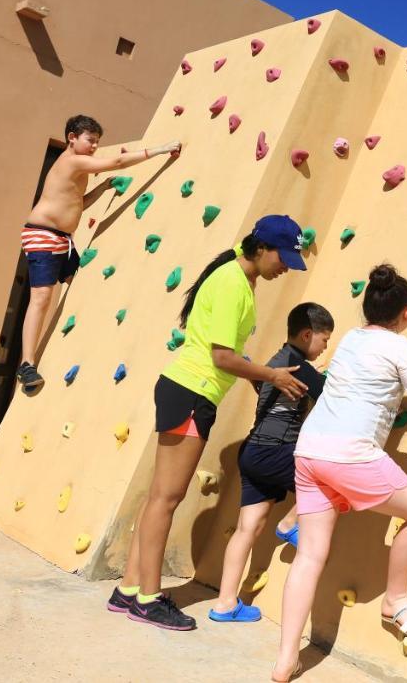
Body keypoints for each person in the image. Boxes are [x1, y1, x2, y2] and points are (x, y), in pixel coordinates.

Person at [273, 264, 407, 682]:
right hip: (351, 457)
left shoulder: (351, 339)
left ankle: (284, 661)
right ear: (406, 314)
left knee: (310, 555)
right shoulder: (401, 349)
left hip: (310, 453)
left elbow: (373, 377)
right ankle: (395, 600)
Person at [106, 215, 310, 631]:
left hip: (189, 390)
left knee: (159, 497)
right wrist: (273, 375)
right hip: (193, 392)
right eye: (283, 257)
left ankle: (128, 589)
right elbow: (222, 357)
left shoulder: (236, 277)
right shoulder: (233, 282)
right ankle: (148, 598)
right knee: (167, 498)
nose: (285, 266)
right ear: (260, 248)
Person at [16, 114, 180, 391]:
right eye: (90, 140)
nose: (94, 147)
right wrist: (160, 150)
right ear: (72, 138)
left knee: (83, 287)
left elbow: (77, 202)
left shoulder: (77, 169)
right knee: (41, 297)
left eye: (96, 142)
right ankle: (26, 364)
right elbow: (116, 161)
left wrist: (104, 188)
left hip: (63, 240)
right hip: (43, 236)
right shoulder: (72, 160)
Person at [209, 302, 335, 624]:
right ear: (307, 335)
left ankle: (224, 603)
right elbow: (331, 395)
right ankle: (290, 522)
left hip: (252, 452)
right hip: (274, 450)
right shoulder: (297, 365)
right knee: (332, 474)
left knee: (247, 528)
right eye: (324, 340)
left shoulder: (275, 362)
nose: (325, 347)